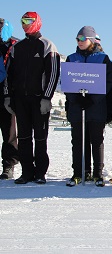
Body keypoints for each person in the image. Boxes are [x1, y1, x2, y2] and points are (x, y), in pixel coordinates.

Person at [3, 12, 60, 184]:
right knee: (24, 138)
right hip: (20, 100)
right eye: (23, 21)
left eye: (29, 21)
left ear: (38, 23)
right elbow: (8, 75)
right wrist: (8, 97)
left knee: (41, 137)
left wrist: (47, 98)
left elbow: (53, 74)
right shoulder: (17, 47)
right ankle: (27, 172)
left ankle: (40, 172)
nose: (25, 24)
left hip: (39, 100)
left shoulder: (47, 45)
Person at [65, 26, 112, 187]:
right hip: (77, 108)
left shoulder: (103, 59)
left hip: (96, 108)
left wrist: (93, 99)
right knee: (78, 141)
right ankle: (80, 172)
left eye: (83, 39)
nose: (80, 42)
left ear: (92, 40)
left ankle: (97, 173)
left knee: (96, 140)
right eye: (77, 39)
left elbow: (110, 84)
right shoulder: (72, 58)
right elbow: (67, 83)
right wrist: (76, 99)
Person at [0, 18, 19, 179]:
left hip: (6, 94)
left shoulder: (14, 46)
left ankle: (9, 165)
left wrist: (9, 95)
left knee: (9, 132)